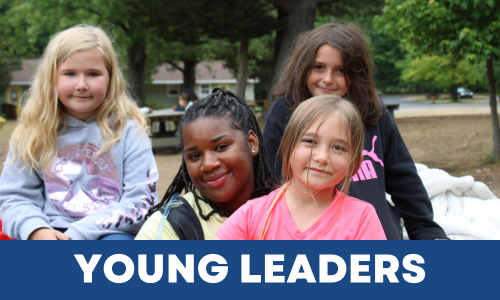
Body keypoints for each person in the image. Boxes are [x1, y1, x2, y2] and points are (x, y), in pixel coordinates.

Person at [262, 23, 448, 240]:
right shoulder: (286, 111)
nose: (328, 78)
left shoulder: (373, 112)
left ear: (356, 74)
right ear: (303, 67)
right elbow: (270, 185)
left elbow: (404, 180)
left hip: (379, 239)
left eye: (341, 70)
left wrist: (427, 230)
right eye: (318, 67)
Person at [0, 24, 158, 240]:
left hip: (110, 235)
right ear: (51, 78)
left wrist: (78, 235)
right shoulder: (32, 131)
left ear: (110, 78)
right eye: (70, 73)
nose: (81, 84)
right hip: (49, 234)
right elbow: (14, 197)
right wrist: (36, 230)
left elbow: (141, 202)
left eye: (93, 74)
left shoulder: (129, 130)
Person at [215, 96, 385, 240]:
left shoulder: (362, 218)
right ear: (287, 149)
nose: (322, 157)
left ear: (355, 163)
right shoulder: (251, 216)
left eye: (338, 148)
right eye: (310, 142)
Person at [135, 88, 277, 240]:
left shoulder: (291, 208)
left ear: (251, 143)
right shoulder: (166, 230)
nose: (208, 164)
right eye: (195, 156)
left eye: (221, 147)